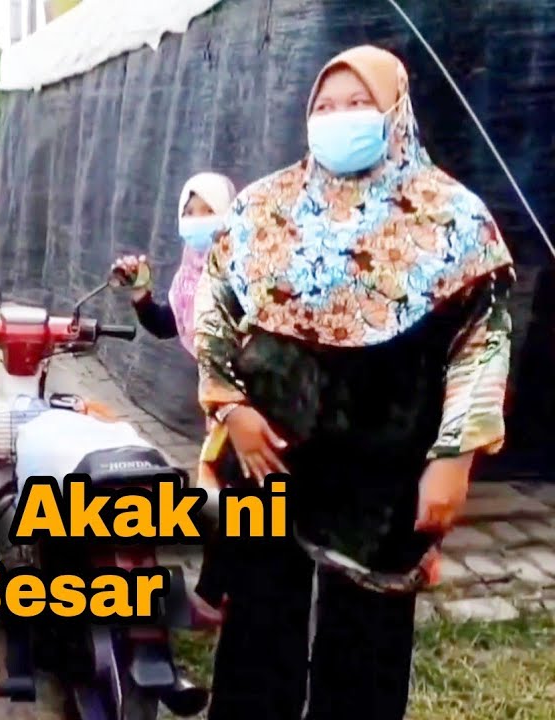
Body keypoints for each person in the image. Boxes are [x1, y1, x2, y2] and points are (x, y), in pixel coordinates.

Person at [193, 45, 514, 719]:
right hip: (269, 452)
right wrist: (230, 408)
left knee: (367, 640)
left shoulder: (451, 218)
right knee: (258, 623)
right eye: (325, 107)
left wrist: (453, 458)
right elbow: (214, 307)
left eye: (359, 104)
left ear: (396, 113)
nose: (339, 118)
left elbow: (482, 341)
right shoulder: (263, 207)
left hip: (382, 466)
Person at [110, 172, 237, 355]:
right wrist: (140, 292)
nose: (197, 220)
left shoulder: (244, 274)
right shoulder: (189, 276)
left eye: (209, 211)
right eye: (189, 212)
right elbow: (163, 326)